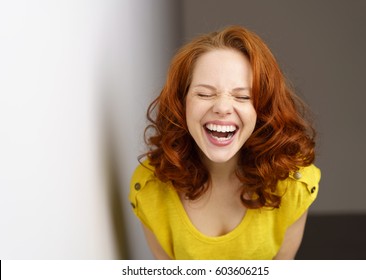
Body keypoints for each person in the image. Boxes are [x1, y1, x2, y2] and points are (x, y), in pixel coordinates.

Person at [129, 25, 320, 260]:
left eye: (242, 96)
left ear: (263, 109)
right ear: (182, 103)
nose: (221, 107)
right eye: (204, 94)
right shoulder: (148, 189)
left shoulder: (294, 183)